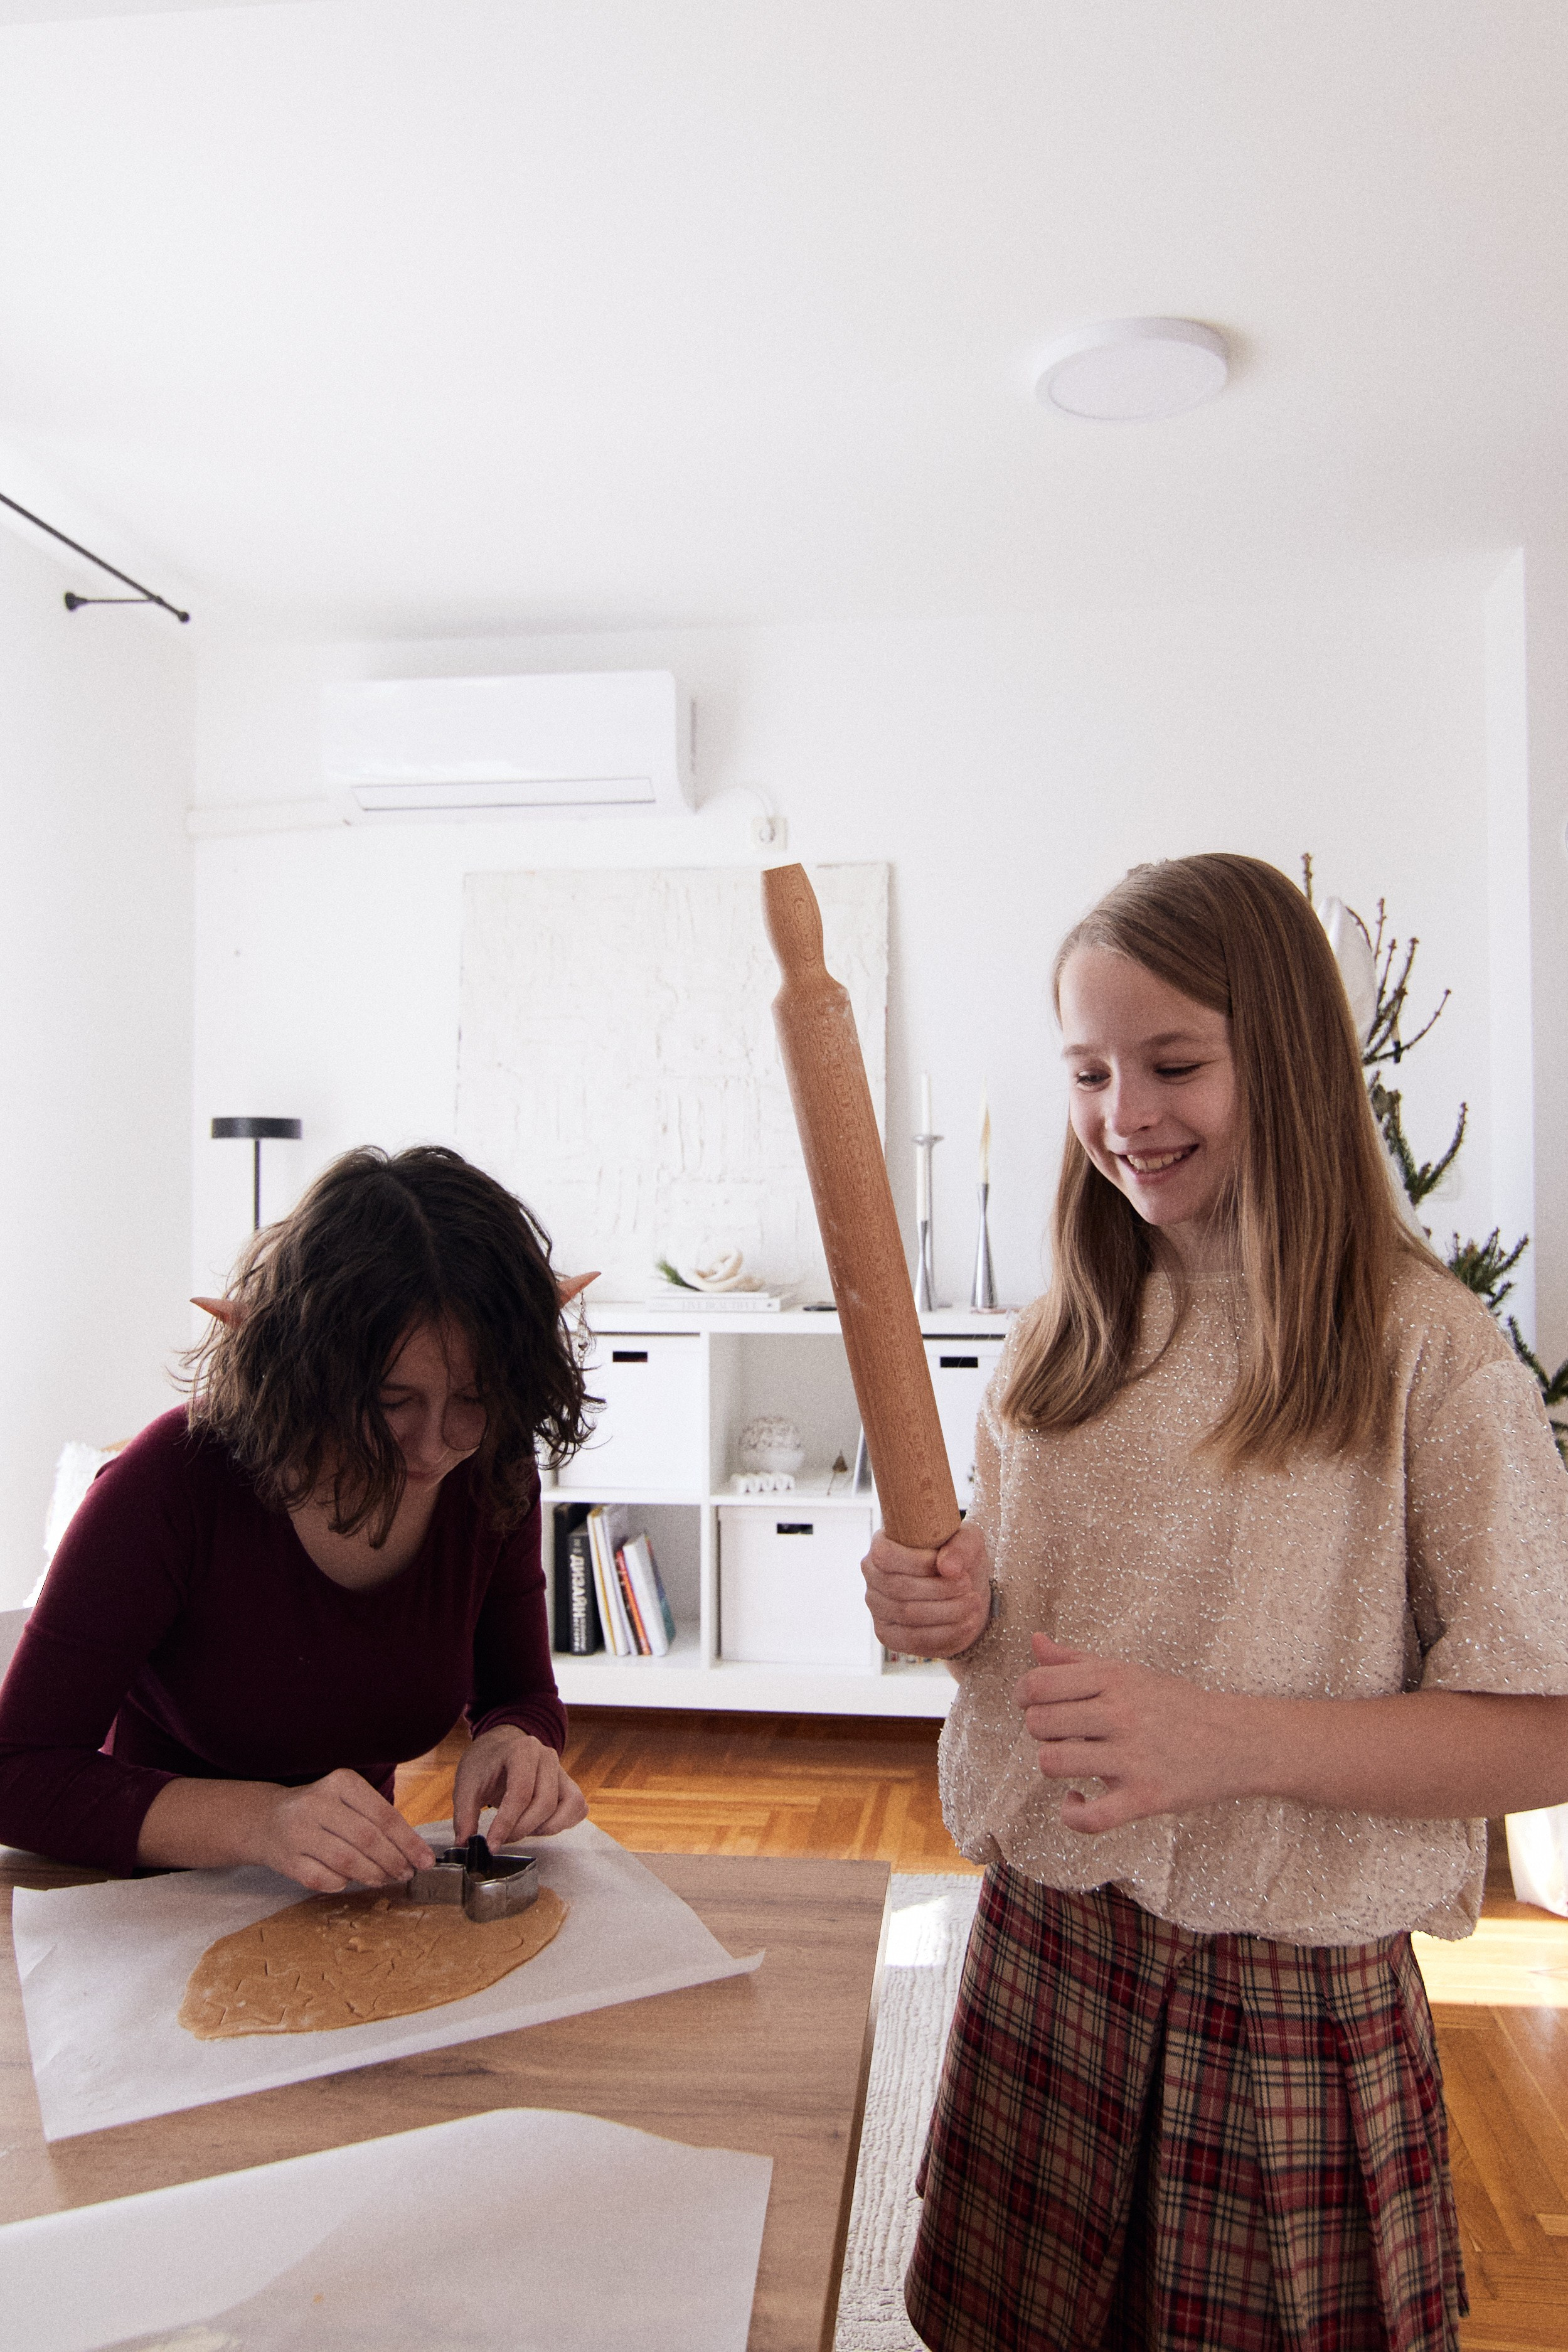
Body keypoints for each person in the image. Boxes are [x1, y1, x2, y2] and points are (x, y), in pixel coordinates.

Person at [863, 855, 1568, 2352]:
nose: (1125, 1113)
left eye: (1174, 1064)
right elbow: (1019, 1625)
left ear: (1291, 1062)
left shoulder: (1428, 1357)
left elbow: (1543, 1730)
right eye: (1089, 1071)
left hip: (1284, 1998)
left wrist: (1222, 1741)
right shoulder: (1056, 1339)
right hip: (1044, 1950)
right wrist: (949, 1602)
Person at [0, 1145, 597, 1891]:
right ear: (309, 1371)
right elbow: (16, 1772)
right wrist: (262, 1822)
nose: (437, 1446)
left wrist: (517, 1739)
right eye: (391, 1402)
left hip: (351, 1896)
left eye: (474, 1399)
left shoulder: (492, 1471)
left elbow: (521, 1693)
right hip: (151, 1900)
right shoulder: (173, 1482)